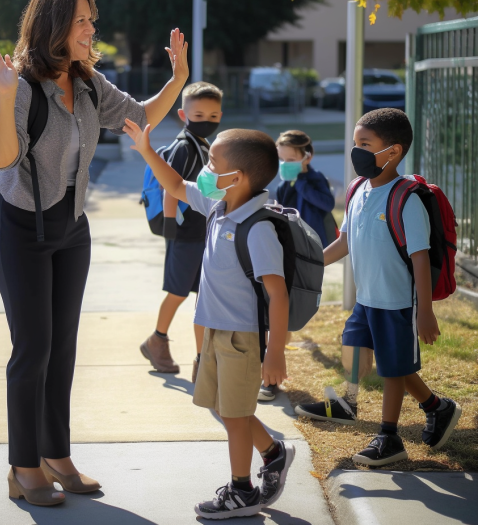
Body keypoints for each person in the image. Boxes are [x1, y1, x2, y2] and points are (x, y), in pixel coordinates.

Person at [0, 0, 188, 506]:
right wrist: (4, 95)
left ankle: (56, 454)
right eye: (82, 21)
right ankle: (23, 467)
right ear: (55, 28)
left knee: (63, 348)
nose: (92, 29)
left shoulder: (89, 83)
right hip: (21, 227)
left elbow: (138, 117)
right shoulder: (20, 85)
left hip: (71, 228)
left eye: (92, 19)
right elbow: (3, 159)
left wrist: (179, 77)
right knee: (33, 349)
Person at [124, 119, 295, 519]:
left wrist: (275, 353)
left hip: (242, 338)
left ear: (236, 177)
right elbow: (176, 186)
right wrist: (147, 150)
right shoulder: (220, 207)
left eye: (212, 162)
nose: (204, 169)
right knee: (225, 407)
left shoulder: (257, 229)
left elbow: (278, 294)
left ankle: (242, 492)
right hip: (217, 331)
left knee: (234, 415)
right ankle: (272, 453)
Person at [296, 108, 462, 466]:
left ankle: (389, 437)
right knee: (356, 347)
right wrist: (309, 265)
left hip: (396, 301)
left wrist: (426, 313)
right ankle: (359, 403)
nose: (356, 151)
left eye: (365, 144)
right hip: (366, 298)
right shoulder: (357, 190)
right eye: (355, 143)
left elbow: (419, 258)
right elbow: (343, 242)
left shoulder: (406, 198)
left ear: (394, 152)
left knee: (393, 369)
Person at [140, 81, 223, 382]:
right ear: (183, 114)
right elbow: (170, 189)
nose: (207, 121)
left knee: (203, 297)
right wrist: (170, 230)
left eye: (214, 116)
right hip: (184, 235)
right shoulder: (183, 147)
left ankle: (203, 361)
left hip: (203, 234)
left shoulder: (205, 147)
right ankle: (157, 340)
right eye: (199, 114)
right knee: (177, 293)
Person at [258, 130, 335, 402]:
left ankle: (271, 370)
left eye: (291, 159)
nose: (285, 164)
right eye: (281, 159)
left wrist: (301, 181)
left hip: (309, 255)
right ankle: (271, 377)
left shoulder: (315, 179)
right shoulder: (282, 184)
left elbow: (326, 204)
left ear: (306, 156)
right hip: (287, 253)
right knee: (282, 309)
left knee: (289, 309)